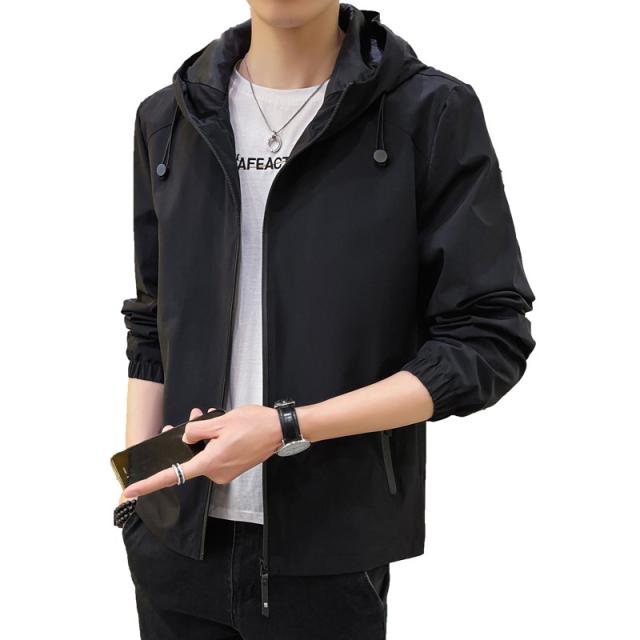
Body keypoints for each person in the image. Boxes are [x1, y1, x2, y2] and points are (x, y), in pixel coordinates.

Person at [116, 2, 536, 638]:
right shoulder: (168, 118)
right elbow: (151, 320)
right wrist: (138, 495)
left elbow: (487, 337)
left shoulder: (429, 112)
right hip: (173, 547)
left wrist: (289, 426)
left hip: (330, 553)